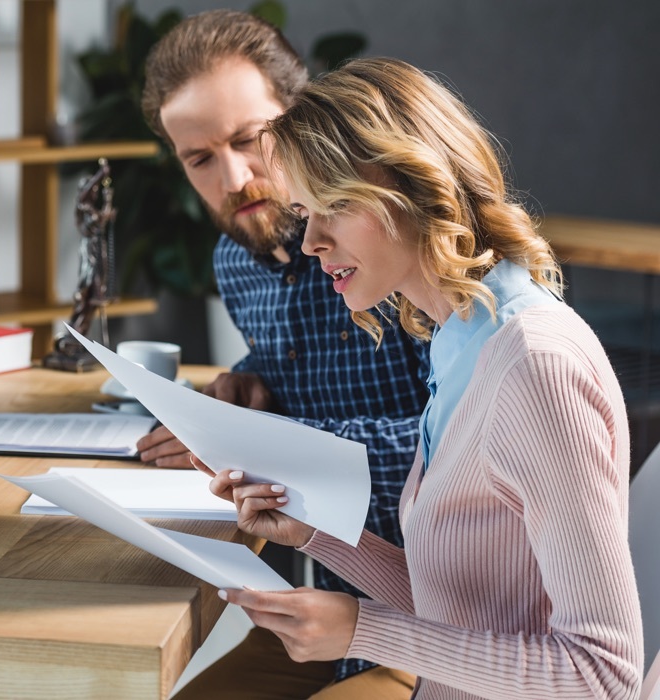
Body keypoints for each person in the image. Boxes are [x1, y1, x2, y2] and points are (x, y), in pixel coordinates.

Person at [203, 56, 643, 699]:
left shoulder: (534, 368)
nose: (311, 242)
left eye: (337, 207)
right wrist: (314, 532)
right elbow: (462, 610)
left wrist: (364, 631)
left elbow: (602, 678)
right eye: (306, 212)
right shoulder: (459, 341)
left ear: (413, 183)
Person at [138, 10, 426, 696]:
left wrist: (274, 445)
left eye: (249, 140)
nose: (234, 178)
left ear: (302, 118)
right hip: (326, 613)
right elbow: (298, 364)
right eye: (200, 158)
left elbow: (468, 448)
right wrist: (249, 385)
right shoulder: (233, 259)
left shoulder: (388, 242)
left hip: (439, 626)